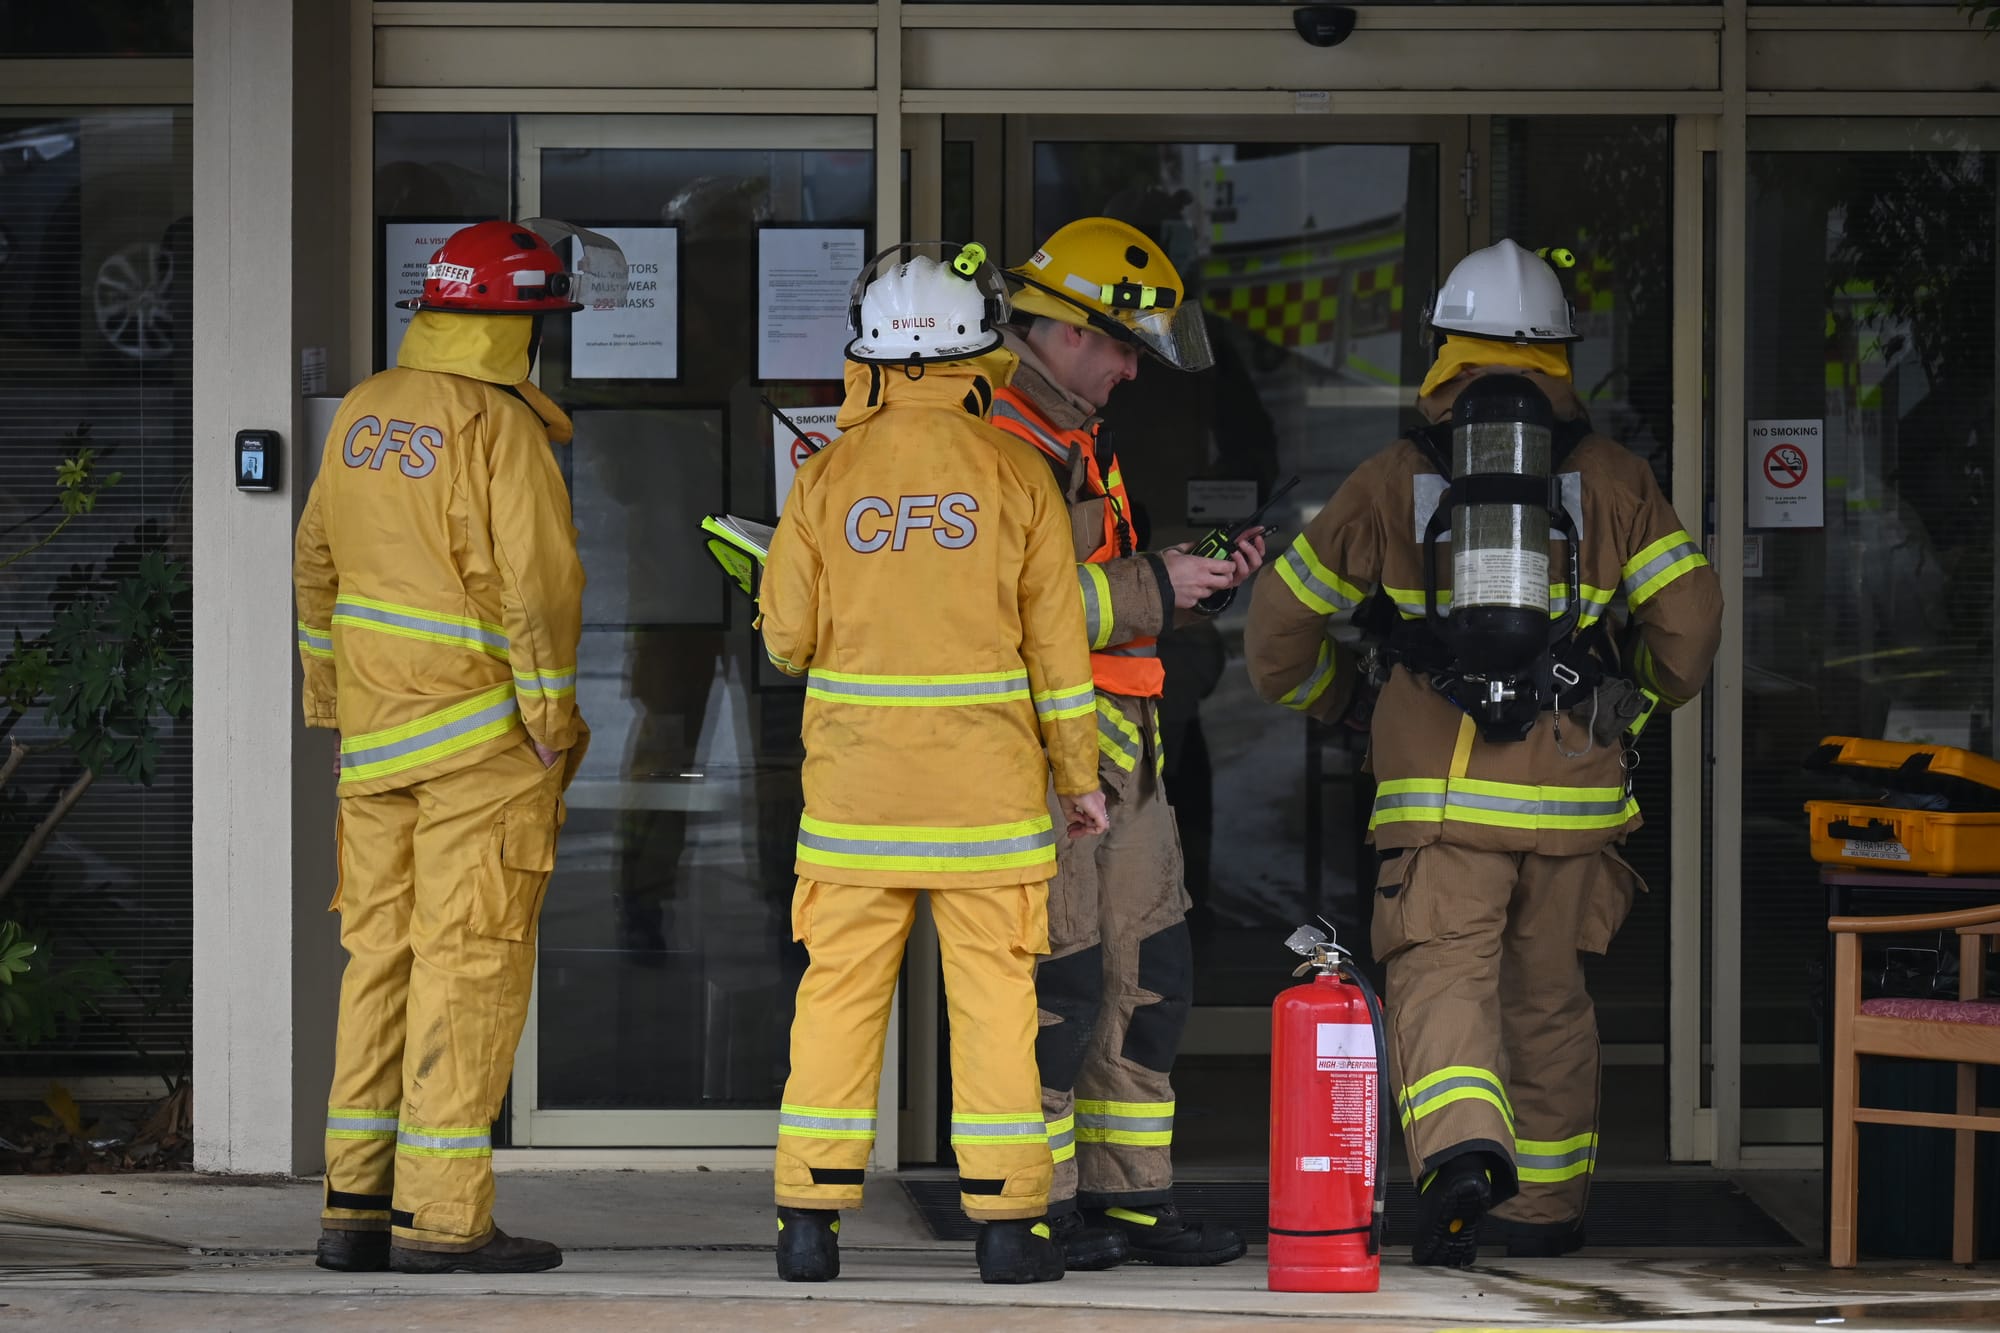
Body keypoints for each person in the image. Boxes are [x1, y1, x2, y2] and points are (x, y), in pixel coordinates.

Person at [1244, 238, 1723, 1266]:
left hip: (1442, 800)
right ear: (1560, 352)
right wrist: (1626, 707)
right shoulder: (1614, 479)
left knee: (1443, 980)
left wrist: (1347, 703)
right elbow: (1688, 631)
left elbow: (1276, 635)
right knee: (1547, 1000)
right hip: (1573, 797)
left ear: (1441, 350)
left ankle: (1461, 1155)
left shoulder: (1391, 480)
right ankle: (1542, 1211)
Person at [759, 241, 1107, 1286]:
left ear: (870, 354)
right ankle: (1006, 1226)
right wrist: (1077, 779)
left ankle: (808, 1223)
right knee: (995, 1005)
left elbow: (785, 640)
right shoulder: (1017, 475)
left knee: (836, 999)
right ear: (976, 353)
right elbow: (1058, 654)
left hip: (855, 805)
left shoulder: (825, 476)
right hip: (985, 806)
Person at [295, 219, 607, 1275]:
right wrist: (551, 727)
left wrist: (333, 701)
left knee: (378, 959)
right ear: (521, 326)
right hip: (480, 744)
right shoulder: (500, 427)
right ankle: (441, 1217)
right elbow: (540, 591)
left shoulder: (365, 411)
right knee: (467, 963)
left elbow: (315, 565)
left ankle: (353, 1203)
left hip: (376, 743)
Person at [986, 217, 1262, 1269]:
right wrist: (1157, 583)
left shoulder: (1070, 435)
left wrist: (1181, 582)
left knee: (1148, 981)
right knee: (1056, 995)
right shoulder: (997, 439)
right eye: (1121, 346)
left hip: (1120, 762)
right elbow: (1005, 609)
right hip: (1043, 765)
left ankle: (1131, 1198)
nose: (1133, 370)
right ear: (1066, 331)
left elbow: (1084, 593)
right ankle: (1039, 1205)